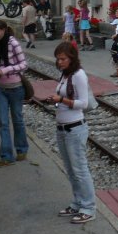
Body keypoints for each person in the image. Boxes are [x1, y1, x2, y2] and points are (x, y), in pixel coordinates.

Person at [48, 41, 96, 224]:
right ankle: (77, 203)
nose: (59, 62)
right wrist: (58, 101)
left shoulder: (79, 76)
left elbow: (83, 103)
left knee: (80, 170)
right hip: (62, 128)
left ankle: (89, 207)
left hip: (75, 128)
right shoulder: (65, 74)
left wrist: (61, 99)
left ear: (71, 58)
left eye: (63, 59)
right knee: (70, 170)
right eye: (58, 59)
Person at [0, 19, 29, 167]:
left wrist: (4, 70)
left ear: (3, 29)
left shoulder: (13, 43)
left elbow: (24, 64)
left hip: (16, 87)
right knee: (3, 123)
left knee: (17, 120)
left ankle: (22, 149)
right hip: (0, 88)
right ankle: (6, 156)